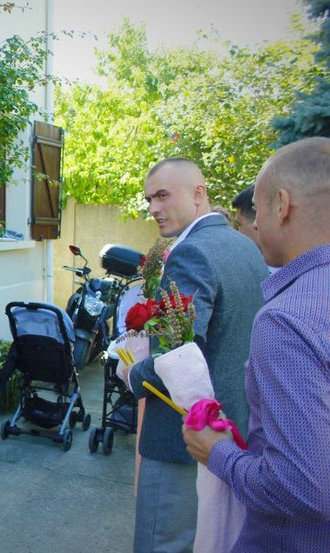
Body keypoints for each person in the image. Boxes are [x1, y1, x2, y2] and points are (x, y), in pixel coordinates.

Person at [183, 137, 330, 550]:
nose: (254, 225)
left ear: (281, 205)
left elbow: (304, 488)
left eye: (259, 209)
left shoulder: (289, 320)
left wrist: (218, 453)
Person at [119, 158, 268, 552]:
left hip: (182, 434)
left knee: (163, 544)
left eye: (163, 195)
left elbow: (177, 353)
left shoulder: (191, 254)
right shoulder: (246, 246)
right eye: (150, 198)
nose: (153, 208)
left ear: (198, 194)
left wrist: (131, 374)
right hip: (234, 428)